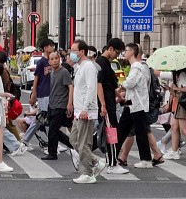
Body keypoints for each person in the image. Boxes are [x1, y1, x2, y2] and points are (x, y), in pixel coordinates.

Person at [117, 42, 158, 170]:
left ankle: (146, 159)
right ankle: (112, 155)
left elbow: (130, 83)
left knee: (140, 132)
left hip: (137, 104)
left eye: (127, 50)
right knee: (122, 130)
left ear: (133, 52)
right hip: (132, 103)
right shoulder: (139, 67)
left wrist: (119, 82)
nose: (125, 52)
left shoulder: (137, 67)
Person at [68, 41, 102, 184]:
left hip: (85, 110)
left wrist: (85, 108)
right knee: (73, 139)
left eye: (74, 50)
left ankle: (88, 172)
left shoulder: (88, 66)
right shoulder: (79, 66)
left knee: (83, 143)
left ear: (82, 51)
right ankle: (95, 162)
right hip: (79, 110)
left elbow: (91, 88)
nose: (71, 53)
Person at [97, 38, 126, 174]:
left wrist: (120, 97)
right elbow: (99, 85)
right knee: (111, 133)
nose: (117, 55)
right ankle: (112, 164)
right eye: (117, 52)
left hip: (110, 103)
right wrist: (103, 104)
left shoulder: (107, 63)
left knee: (111, 132)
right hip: (106, 105)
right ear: (110, 49)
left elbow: (111, 85)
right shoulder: (101, 63)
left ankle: (111, 162)